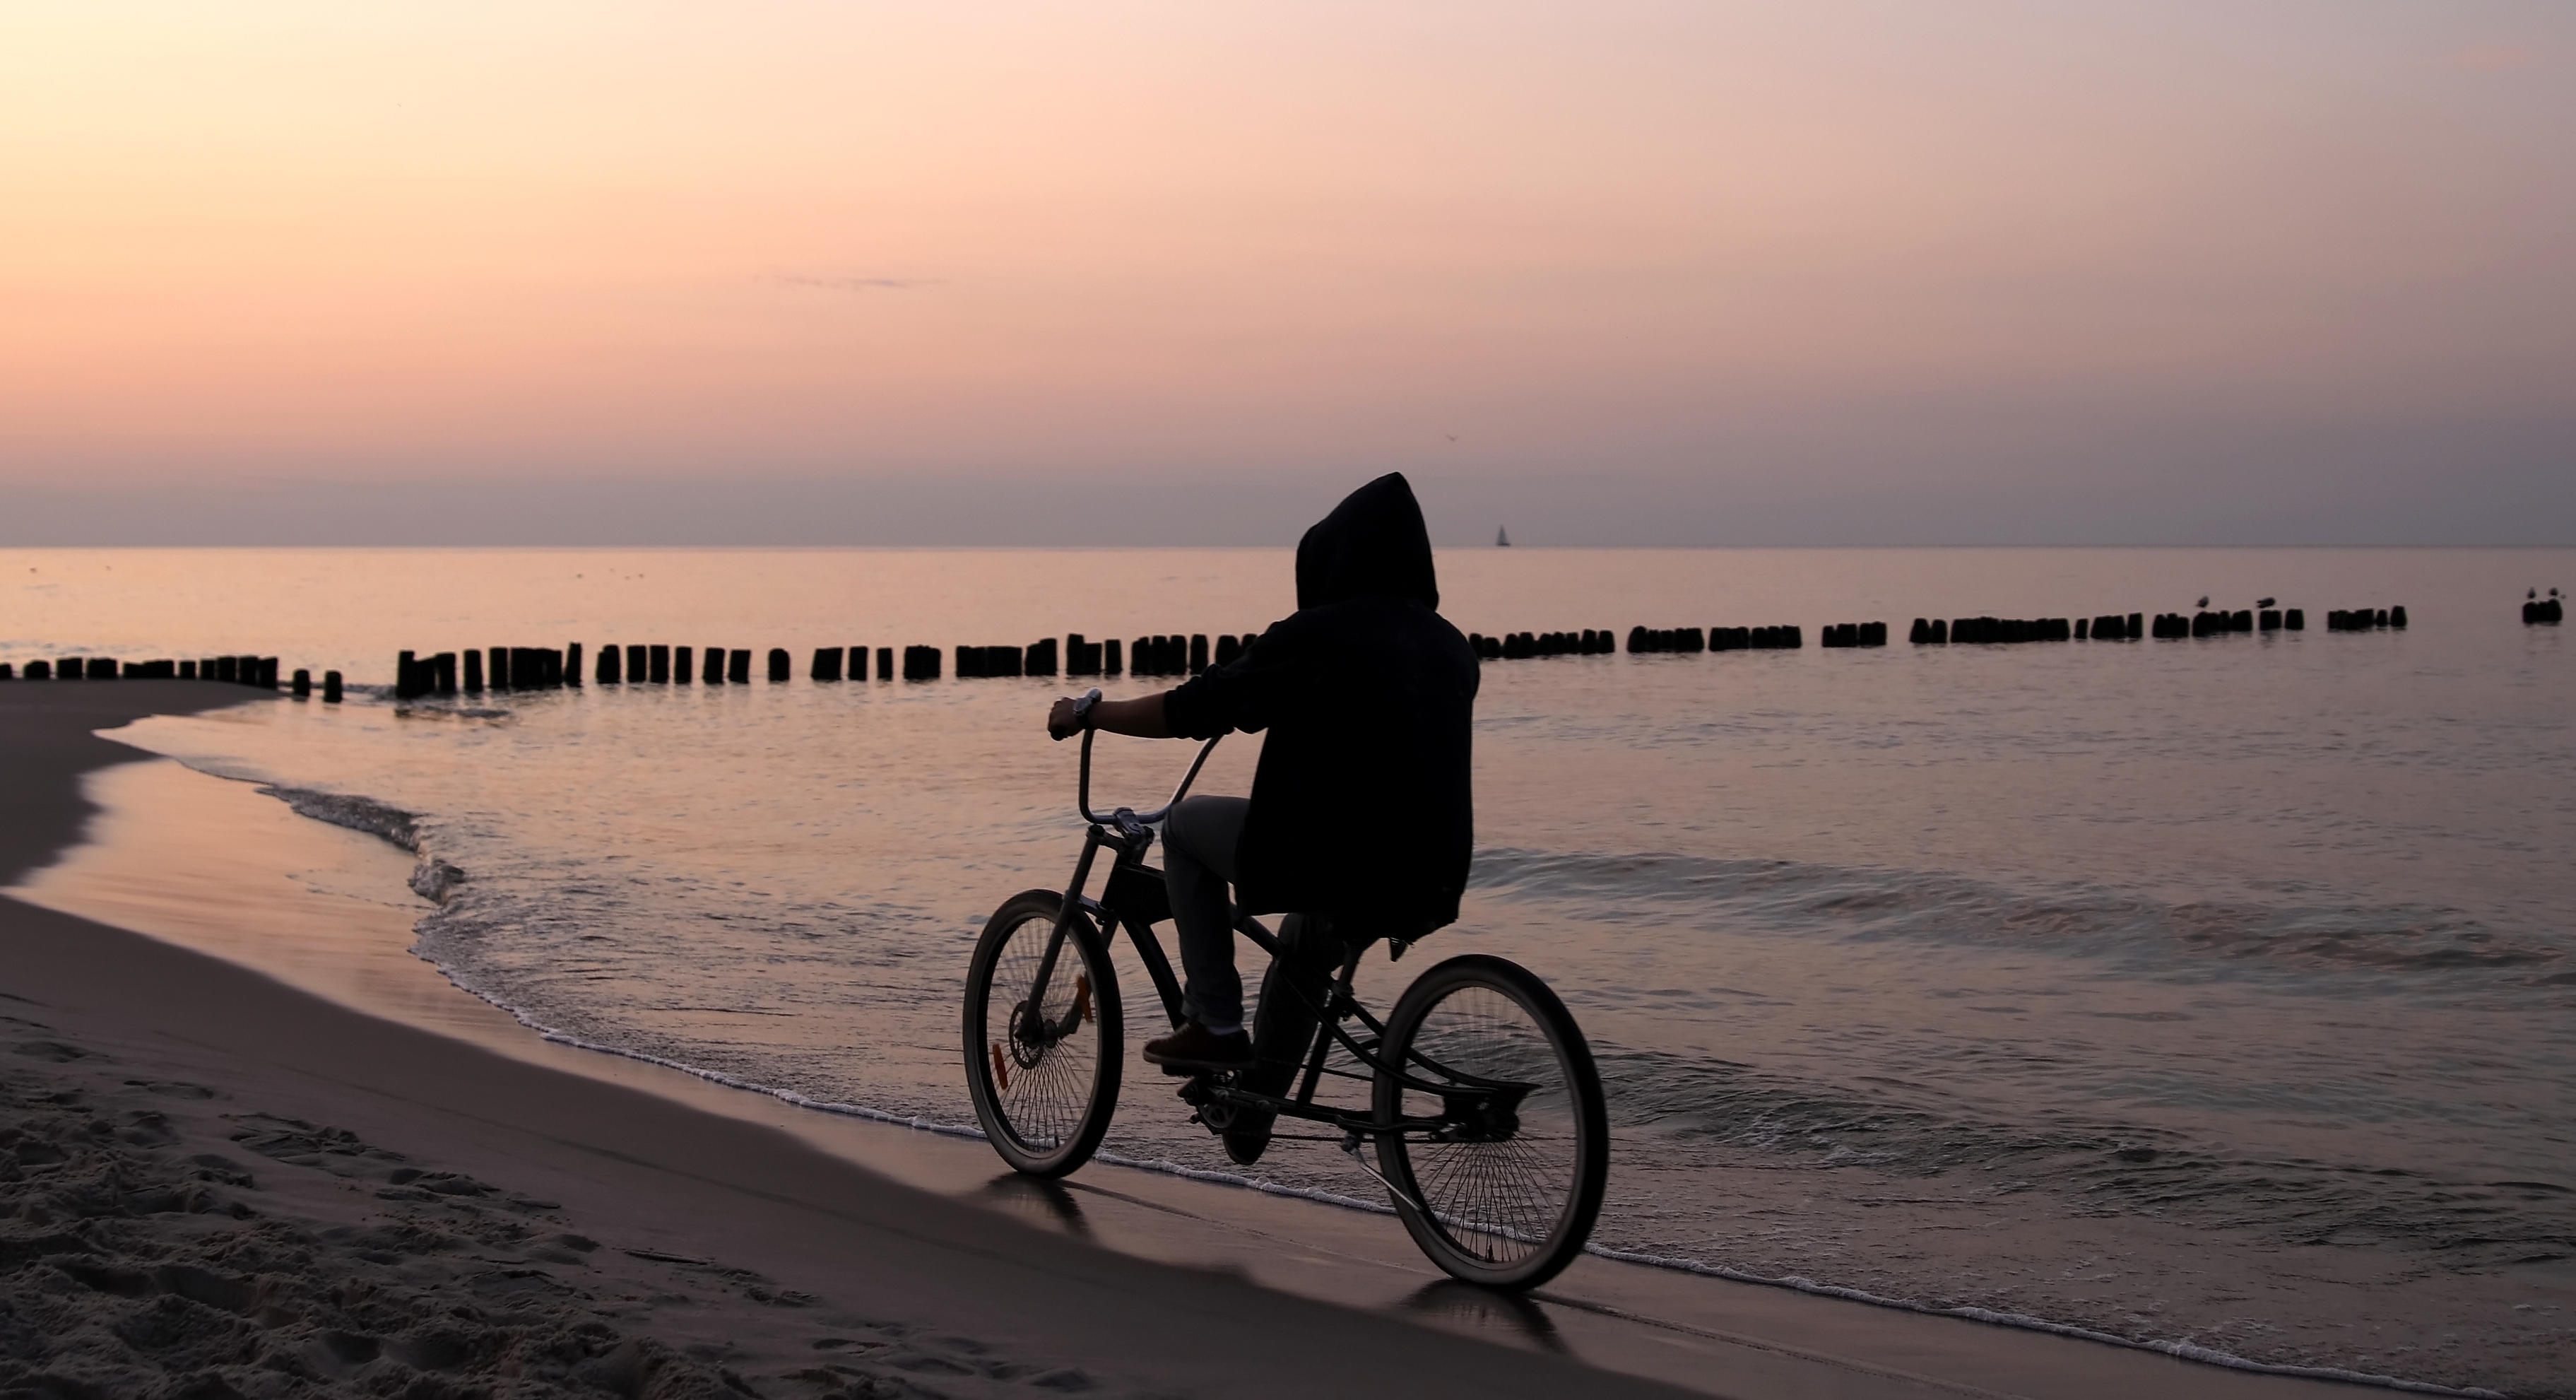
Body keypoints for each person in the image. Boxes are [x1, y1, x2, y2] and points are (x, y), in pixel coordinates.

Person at [1046, 472, 1479, 1079]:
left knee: (1183, 827)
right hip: (1429, 872)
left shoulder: (1319, 635)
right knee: (1306, 945)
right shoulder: (1450, 645)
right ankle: (1255, 1109)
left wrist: (1090, 714)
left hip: (1342, 859)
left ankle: (1214, 1023)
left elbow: (1191, 709)